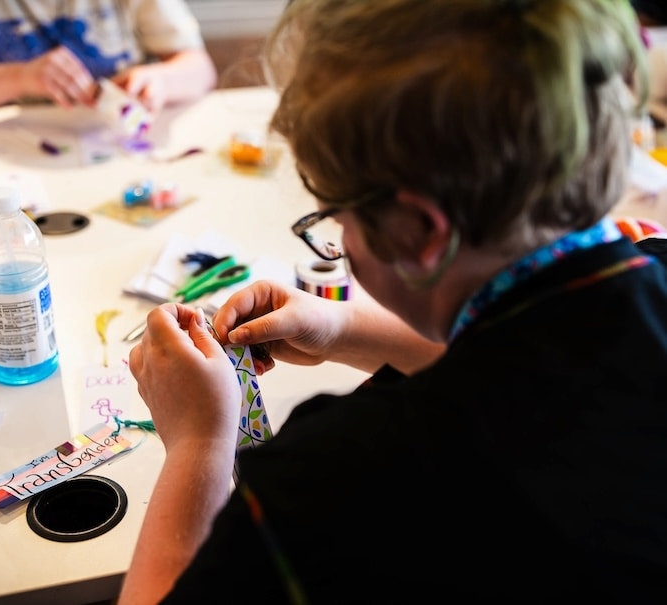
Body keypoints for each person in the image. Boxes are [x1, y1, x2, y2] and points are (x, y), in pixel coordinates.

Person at [120, 0, 667, 602]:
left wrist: (197, 446)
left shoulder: (344, 481)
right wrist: (344, 327)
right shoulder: (652, 275)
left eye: (335, 218)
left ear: (419, 233)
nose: (340, 240)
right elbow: (538, 364)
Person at [0, 0, 217, 121]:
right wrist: (18, 78)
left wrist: (159, 80)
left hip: (116, 151)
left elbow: (199, 69)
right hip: (1, 167)